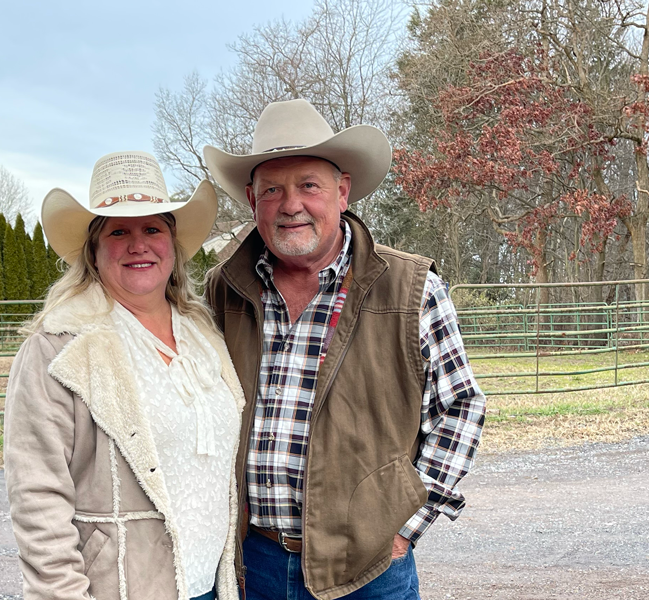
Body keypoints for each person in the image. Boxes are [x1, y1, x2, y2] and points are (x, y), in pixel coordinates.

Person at [203, 100, 486, 600]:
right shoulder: (222, 290)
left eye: (309, 185)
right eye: (273, 189)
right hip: (253, 564)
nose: (291, 204)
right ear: (252, 199)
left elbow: (461, 409)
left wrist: (404, 529)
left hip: (369, 567)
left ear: (342, 190)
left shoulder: (410, 288)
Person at [3, 151, 244, 600]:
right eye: (119, 231)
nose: (139, 245)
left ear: (172, 243)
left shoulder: (204, 336)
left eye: (152, 228)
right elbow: (37, 495)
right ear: (94, 250)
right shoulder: (61, 347)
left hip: (211, 586)